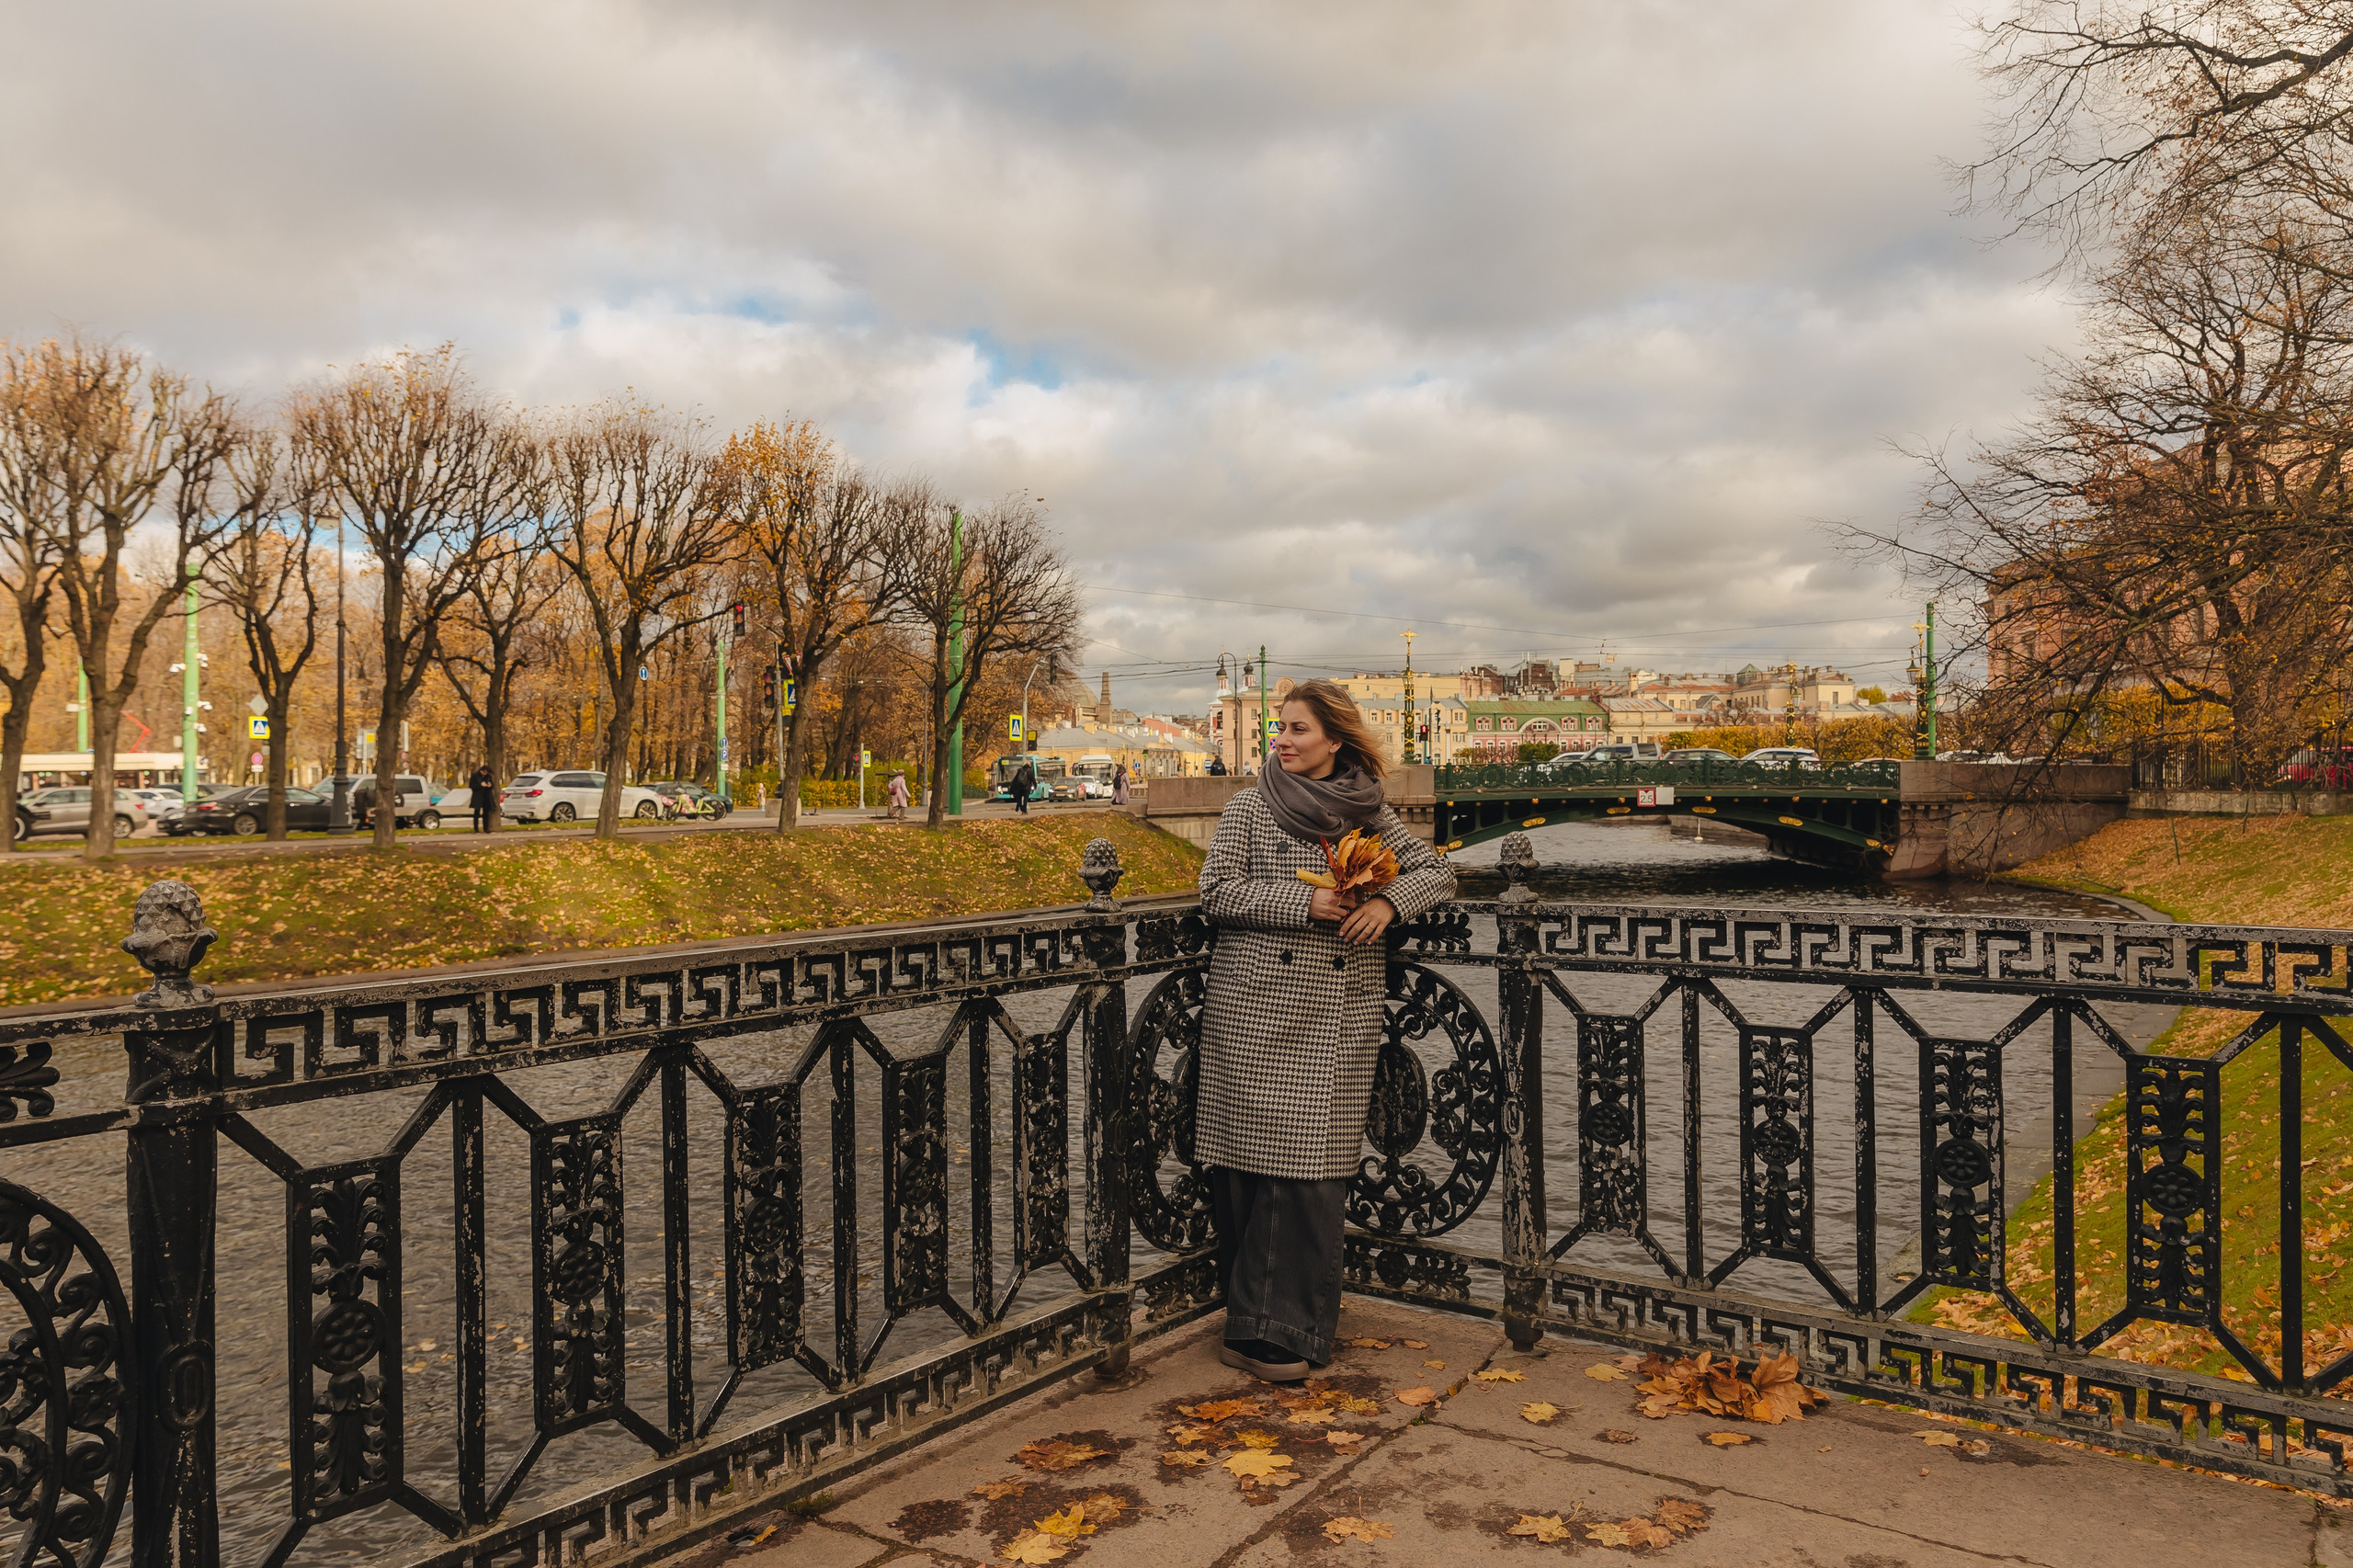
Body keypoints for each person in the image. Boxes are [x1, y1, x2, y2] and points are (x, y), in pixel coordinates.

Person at [1195, 677, 1454, 1382]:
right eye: (1278, 729)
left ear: (1334, 740)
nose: (1280, 740)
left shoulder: (1368, 810)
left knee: (1312, 1174)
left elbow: (1438, 873)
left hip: (1335, 1012)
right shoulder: (1251, 805)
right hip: (1255, 1009)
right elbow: (1215, 890)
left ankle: (1289, 1329)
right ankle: (1251, 1323)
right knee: (1253, 1167)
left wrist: (1393, 903)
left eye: (1297, 729)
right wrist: (1306, 900)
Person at [468, 763, 495, 834]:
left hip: (486, 796)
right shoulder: (475, 776)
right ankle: (476, 829)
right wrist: (480, 785)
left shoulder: (488, 776)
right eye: (484, 772)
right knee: (477, 812)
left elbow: (492, 786)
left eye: (486, 773)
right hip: (478, 796)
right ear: (482, 771)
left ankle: (486, 828)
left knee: (486, 813)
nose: (485, 774)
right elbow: (472, 786)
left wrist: (490, 785)